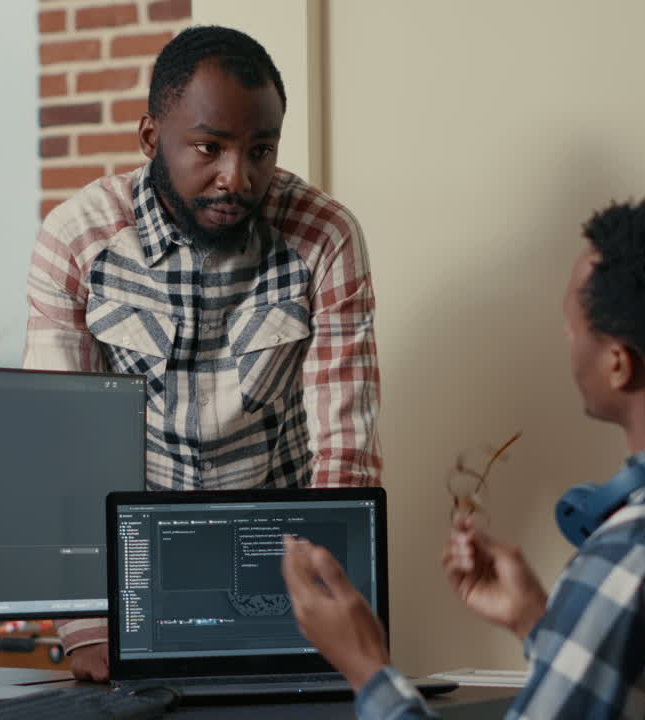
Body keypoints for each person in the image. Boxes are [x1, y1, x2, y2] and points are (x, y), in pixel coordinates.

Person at [282, 198, 645, 717]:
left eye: (573, 325)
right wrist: (537, 621)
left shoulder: (631, 560)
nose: (565, 337)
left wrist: (367, 668)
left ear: (618, 365)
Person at [23, 25, 383, 681]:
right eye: (209, 147)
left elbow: (345, 447)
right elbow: (59, 453)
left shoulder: (324, 237)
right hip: (130, 586)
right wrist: (83, 628)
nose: (236, 177)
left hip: (284, 580)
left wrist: (333, 611)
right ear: (150, 138)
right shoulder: (76, 240)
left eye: (260, 150)